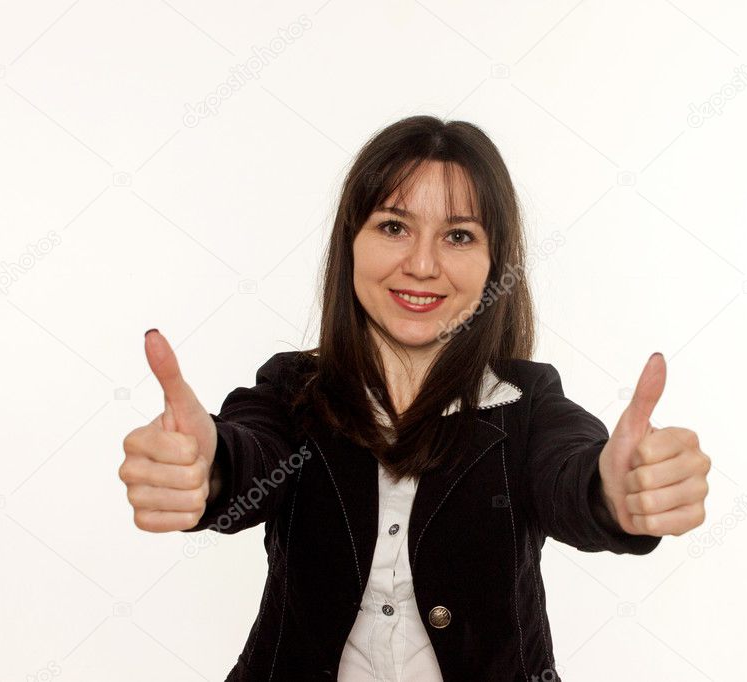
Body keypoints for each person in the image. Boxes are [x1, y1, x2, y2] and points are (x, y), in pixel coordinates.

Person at [119, 115, 711, 681]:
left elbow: (573, 474)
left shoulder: (528, 403)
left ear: (493, 264)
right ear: (350, 242)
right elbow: (249, 456)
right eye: (393, 227)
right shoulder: (291, 391)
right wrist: (207, 469)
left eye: (458, 236)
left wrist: (614, 492)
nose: (422, 265)